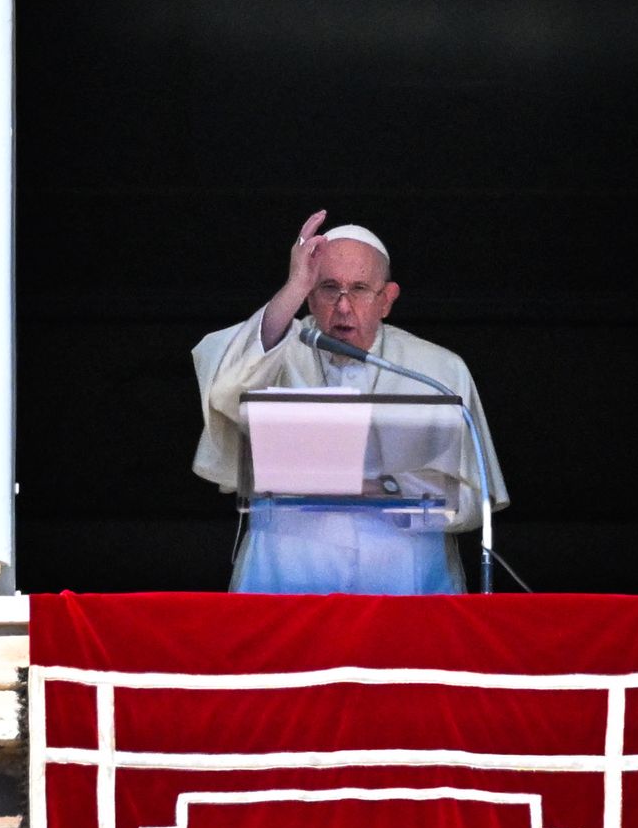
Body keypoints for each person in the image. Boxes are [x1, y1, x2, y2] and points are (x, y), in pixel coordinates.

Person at [192, 210, 508, 593]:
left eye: (359, 289)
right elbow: (224, 389)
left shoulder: (437, 369)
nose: (343, 307)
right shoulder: (280, 349)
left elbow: (477, 498)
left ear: (387, 299)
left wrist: (395, 490)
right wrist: (293, 285)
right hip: (288, 570)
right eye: (328, 288)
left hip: (402, 576)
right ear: (309, 296)